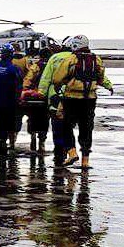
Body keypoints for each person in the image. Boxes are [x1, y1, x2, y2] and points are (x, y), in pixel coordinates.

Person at [46, 35, 113, 169]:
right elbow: (101, 77)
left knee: (66, 126)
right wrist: (109, 85)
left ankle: (72, 153)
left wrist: (57, 86)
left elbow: (58, 78)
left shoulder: (71, 59)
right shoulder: (96, 59)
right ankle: (85, 161)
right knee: (86, 128)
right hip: (90, 99)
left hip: (71, 98)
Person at [39, 38, 79, 166]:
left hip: (55, 98)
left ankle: (59, 156)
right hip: (73, 98)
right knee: (68, 128)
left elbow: (46, 78)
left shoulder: (54, 58)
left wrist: (41, 94)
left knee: (57, 128)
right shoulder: (76, 58)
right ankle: (71, 152)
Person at [0, 44, 24, 157]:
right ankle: (1, 147)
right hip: (7, 104)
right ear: (11, 56)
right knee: (4, 129)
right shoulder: (13, 69)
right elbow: (19, 87)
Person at [20, 47, 53, 156]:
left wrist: (25, 92)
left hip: (34, 97)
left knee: (32, 117)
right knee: (45, 119)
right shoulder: (52, 66)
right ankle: (42, 142)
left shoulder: (36, 66)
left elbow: (28, 80)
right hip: (47, 98)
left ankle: (33, 136)